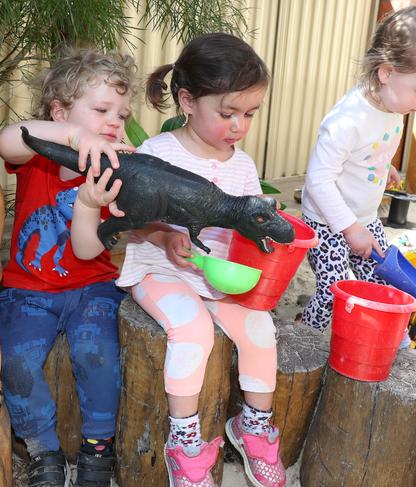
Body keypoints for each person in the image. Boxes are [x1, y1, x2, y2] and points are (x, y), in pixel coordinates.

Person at [72, 33, 286, 487]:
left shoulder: (243, 167)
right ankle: (185, 442)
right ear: (187, 101)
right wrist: (164, 237)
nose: (239, 126)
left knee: (261, 328)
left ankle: (253, 425)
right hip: (157, 270)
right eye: (227, 113)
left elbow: (249, 227)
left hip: (217, 278)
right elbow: (131, 221)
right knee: (192, 329)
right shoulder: (157, 155)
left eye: (249, 114)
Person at [0, 49, 136, 487]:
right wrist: (72, 137)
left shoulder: (113, 174)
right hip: (27, 288)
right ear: (60, 112)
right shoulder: (39, 153)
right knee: (15, 360)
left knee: (97, 354)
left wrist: (98, 201)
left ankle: (97, 449)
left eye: (123, 114)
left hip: (92, 285)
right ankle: (43, 451)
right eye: (102, 110)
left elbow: (89, 250)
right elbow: (5, 139)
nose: (115, 121)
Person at [300, 5, 416, 333]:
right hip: (327, 222)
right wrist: (349, 228)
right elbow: (318, 179)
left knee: (382, 280)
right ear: (386, 72)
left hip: (364, 218)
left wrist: (382, 163)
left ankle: (378, 335)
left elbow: (369, 145)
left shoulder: (393, 103)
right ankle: (309, 338)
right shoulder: (347, 120)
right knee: (333, 290)